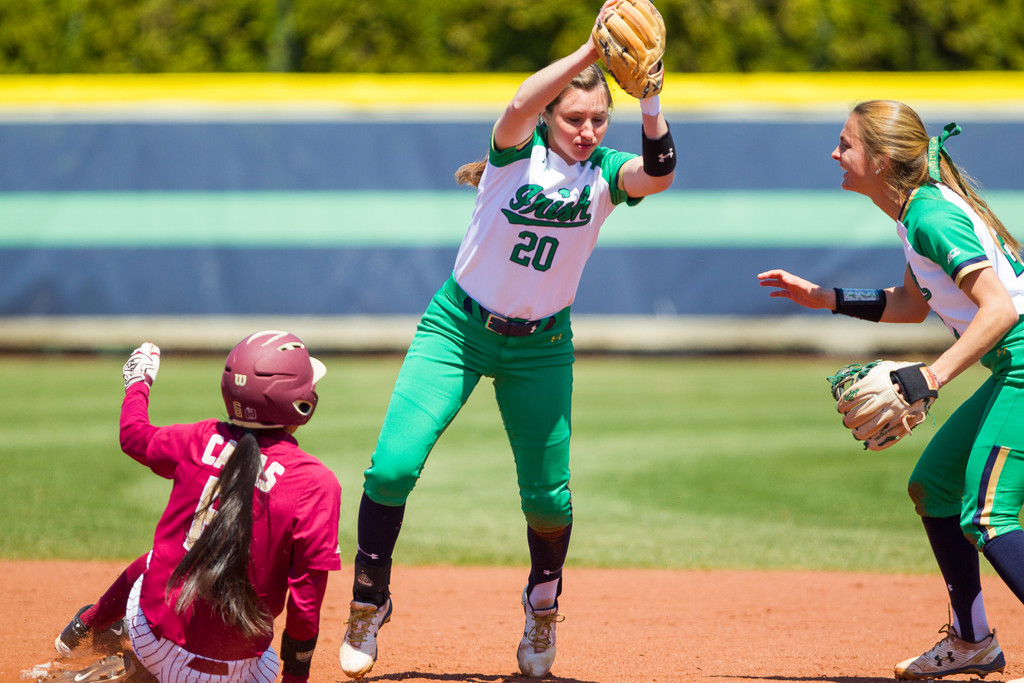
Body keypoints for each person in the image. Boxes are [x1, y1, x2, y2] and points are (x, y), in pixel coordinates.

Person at [337, 6, 676, 681]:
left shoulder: (606, 172)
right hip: (458, 330)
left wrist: (650, 97)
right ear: (552, 117)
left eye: (596, 120)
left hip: (542, 346)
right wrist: (589, 53)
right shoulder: (515, 151)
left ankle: (542, 603)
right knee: (392, 468)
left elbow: (660, 171)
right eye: (574, 118)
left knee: (549, 499)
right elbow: (521, 99)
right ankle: (369, 600)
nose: (586, 131)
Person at [758, 100, 1024, 680]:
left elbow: (999, 311)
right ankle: (972, 640)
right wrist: (824, 297)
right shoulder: (913, 213)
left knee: (986, 514)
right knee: (934, 488)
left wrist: (931, 377)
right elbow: (911, 303)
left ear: (879, 160)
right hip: (1013, 368)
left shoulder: (930, 214)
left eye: (845, 144)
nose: (835, 154)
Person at [52, 331, 341, 683]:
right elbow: (305, 606)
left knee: (161, 556)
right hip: (237, 674)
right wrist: (295, 679)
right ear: (300, 403)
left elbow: (133, 435)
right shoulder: (316, 483)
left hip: (152, 642)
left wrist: (138, 381)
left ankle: (92, 628)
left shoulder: (197, 438)